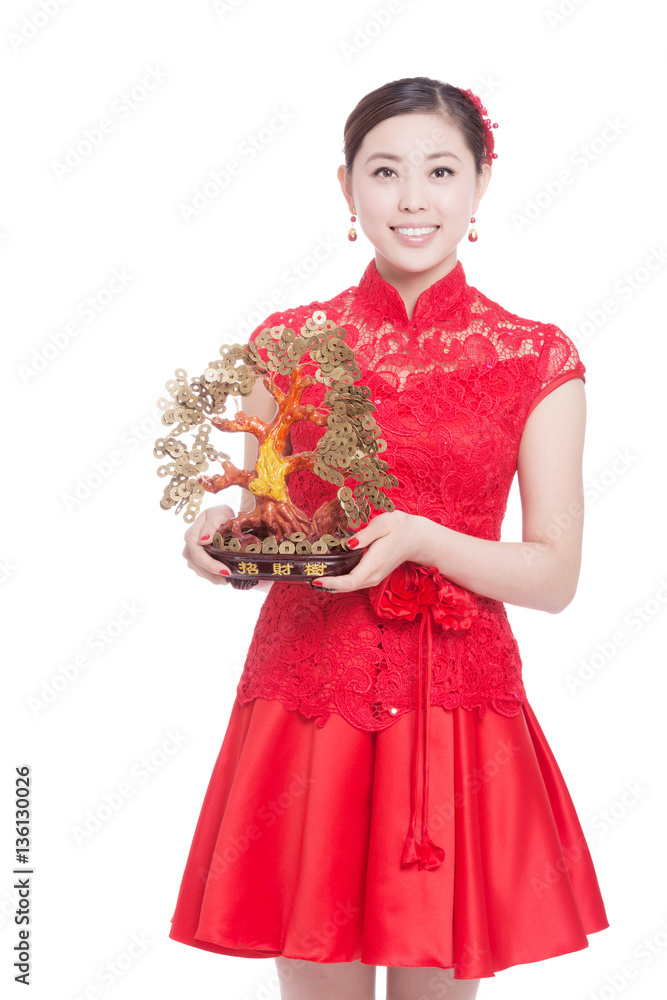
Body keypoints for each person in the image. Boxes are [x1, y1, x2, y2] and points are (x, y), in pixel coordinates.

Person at [168, 77, 609, 1000]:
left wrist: (418, 537)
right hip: (310, 707)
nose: (413, 199)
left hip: (451, 713)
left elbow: (552, 575)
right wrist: (214, 537)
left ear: (480, 186)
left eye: (441, 171)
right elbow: (258, 519)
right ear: (346, 189)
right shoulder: (287, 345)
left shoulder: (536, 358)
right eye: (385, 172)